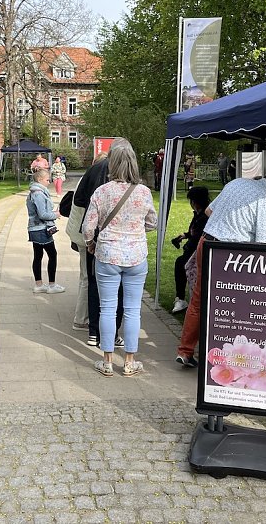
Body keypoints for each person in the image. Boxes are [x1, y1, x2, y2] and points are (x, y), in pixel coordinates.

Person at [176, 162, 266, 368]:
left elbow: (209, 211)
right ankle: (224, 355)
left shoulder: (237, 183)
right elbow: (265, 244)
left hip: (206, 241)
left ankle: (185, 350)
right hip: (231, 253)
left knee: (199, 298)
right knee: (232, 303)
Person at [84, 139, 157, 377]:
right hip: (136, 255)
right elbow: (152, 223)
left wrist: (91, 244)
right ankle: (129, 361)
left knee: (107, 308)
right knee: (133, 310)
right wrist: (134, 231)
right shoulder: (143, 192)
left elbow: (88, 227)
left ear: (111, 164)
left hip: (107, 254)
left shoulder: (102, 192)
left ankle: (106, 361)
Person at [73, 147, 125, 347]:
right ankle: (112, 335)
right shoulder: (134, 186)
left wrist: (89, 241)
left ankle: (94, 332)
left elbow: (78, 199)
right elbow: (150, 223)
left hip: (95, 236)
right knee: (117, 288)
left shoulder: (93, 170)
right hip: (119, 241)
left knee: (93, 282)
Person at [66, 152, 107, 332]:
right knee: (87, 277)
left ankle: (84, 315)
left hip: (80, 232)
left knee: (86, 275)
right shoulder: (94, 181)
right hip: (85, 234)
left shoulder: (86, 178)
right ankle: (81, 318)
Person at [170, 186, 211, 313]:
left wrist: (188, 243)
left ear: (195, 201)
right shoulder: (198, 215)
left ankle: (181, 299)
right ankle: (181, 298)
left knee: (181, 263)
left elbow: (199, 236)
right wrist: (185, 235)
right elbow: (194, 232)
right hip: (193, 249)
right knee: (181, 263)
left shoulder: (204, 217)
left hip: (197, 251)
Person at [27, 168, 65, 293]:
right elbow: (42, 214)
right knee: (52, 255)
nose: (49, 182)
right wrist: (56, 214)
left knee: (38, 256)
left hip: (36, 228)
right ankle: (51, 285)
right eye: (47, 180)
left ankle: (39, 285)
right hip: (41, 229)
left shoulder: (35, 192)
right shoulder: (38, 194)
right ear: (40, 179)